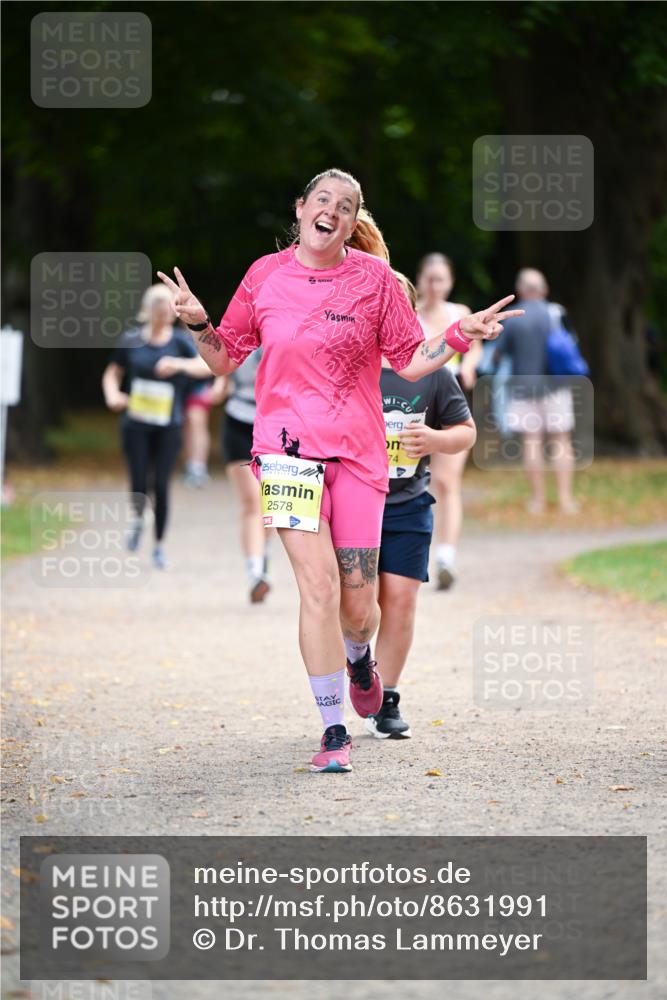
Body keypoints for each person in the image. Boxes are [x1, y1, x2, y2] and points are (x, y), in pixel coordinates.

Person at [158, 167, 522, 773]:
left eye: (346, 206)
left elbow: (409, 362)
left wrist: (461, 332)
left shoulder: (375, 280)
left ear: (353, 224)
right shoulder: (264, 276)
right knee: (318, 589)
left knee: (359, 605)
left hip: (357, 455)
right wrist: (197, 321)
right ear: (301, 209)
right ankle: (332, 730)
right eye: (322, 199)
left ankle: (361, 658)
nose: (331, 211)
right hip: (285, 453)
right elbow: (224, 359)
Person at [370, 271, 476, 737]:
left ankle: (387, 698)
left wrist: (433, 438)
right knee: (358, 607)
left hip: (408, 504)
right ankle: (351, 678)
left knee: (400, 602)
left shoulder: (435, 373)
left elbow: (465, 432)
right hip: (354, 502)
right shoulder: (348, 366)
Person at [101, 284, 215, 569]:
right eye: (159, 307)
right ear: (148, 310)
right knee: (139, 481)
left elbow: (207, 366)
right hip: (136, 423)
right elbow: (112, 374)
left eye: (169, 307)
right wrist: (113, 395)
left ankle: (159, 545)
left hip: (169, 425)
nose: (165, 312)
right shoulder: (131, 339)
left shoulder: (179, 342)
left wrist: (178, 365)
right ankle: (139, 518)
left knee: (160, 485)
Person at [416, 253, 481, 590]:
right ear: (420, 280)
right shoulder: (411, 316)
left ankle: (445, 557)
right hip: (417, 404)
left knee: (447, 481)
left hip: (452, 401)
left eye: (440, 278)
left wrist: (469, 366)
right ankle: (414, 551)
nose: (434, 285)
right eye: (429, 278)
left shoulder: (460, 314)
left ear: (450, 282)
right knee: (417, 482)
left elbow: (476, 346)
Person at [495, 268, 578, 515]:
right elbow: (571, 345)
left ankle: (538, 501)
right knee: (560, 441)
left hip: (523, 389)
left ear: (520, 290)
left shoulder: (513, 317)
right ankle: (565, 500)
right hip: (556, 387)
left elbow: (499, 354)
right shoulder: (555, 313)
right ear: (544, 289)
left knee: (532, 442)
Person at [221, 347, 275, 603]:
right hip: (239, 422)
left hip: (276, 425)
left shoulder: (288, 327)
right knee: (253, 502)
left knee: (270, 504)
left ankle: (262, 554)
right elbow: (215, 365)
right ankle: (255, 573)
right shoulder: (237, 333)